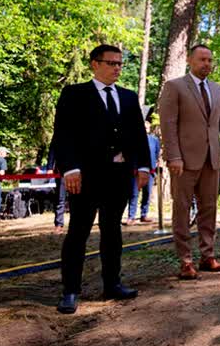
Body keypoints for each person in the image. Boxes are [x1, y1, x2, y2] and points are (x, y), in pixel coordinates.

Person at [51, 44, 151, 314]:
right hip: (84, 178)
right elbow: (63, 134)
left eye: (120, 63)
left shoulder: (128, 98)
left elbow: (139, 136)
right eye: (111, 63)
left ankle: (112, 284)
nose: (117, 68)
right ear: (95, 64)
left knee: (112, 232)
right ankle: (70, 291)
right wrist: (70, 169)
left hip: (118, 177)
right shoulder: (75, 94)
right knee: (78, 233)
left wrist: (143, 166)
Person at [159, 44, 220, 280]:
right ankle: (185, 261)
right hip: (183, 160)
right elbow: (168, 124)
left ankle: (208, 256)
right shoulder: (175, 87)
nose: (207, 64)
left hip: (211, 159)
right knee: (182, 210)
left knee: (209, 209)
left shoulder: (218, 89)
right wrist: (173, 156)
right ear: (190, 61)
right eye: (202, 59)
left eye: (210, 60)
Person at [125, 121, 160, 225]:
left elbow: (156, 153)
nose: (145, 129)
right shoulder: (133, 139)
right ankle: (131, 216)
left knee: (147, 194)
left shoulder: (154, 140)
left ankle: (144, 215)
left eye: (147, 128)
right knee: (134, 194)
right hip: (135, 171)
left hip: (150, 171)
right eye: (143, 127)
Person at [45, 147, 66, 234]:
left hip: (80, 168)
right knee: (60, 198)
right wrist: (50, 167)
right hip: (61, 169)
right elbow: (53, 149)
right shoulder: (60, 133)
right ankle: (58, 224)